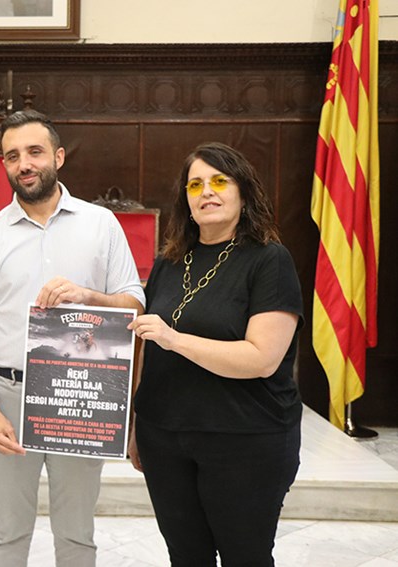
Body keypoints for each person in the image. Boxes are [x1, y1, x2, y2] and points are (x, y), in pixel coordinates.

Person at [0, 110, 145, 567]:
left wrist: (89, 297)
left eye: (35, 152)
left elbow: (135, 307)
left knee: (77, 532)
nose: (24, 164)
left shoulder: (101, 224)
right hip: (8, 394)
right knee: (8, 531)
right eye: (12, 156)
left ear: (58, 157)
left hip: (81, 391)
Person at [127, 142, 303, 566]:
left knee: (246, 557)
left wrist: (175, 339)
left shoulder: (269, 260)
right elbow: (147, 346)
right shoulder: (169, 262)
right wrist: (135, 422)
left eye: (219, 181)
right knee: (186, 556)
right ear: (186, 200)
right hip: (164, 437)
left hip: (245, 440)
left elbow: (262, 358)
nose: (207, 191)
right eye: (195, 184)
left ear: (243, 192)